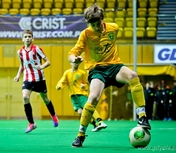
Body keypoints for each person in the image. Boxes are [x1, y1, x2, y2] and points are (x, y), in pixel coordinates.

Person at [68, 4, 151, 147]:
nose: (96, 27)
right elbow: (72, 53)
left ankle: (142, 117)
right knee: (93, 97)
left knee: (133, 75)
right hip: (97, 70)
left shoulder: (114, 28)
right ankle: (80, 135)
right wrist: (74, 59)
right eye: (92, 24)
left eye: (98, 23)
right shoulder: (85, 34)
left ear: (103, 20)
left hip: (115, 67)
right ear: (88, 24)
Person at [14, 29, 59, 133]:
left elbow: (48, 62)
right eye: (25, 37)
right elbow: (22, 65)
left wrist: (41, 67)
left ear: (32, 38)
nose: (27, 38)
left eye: (29, 36)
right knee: (25, 97)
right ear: (22, 39)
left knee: (46, 99)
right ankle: (31, 123)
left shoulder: (37, 49)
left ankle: (53, 115)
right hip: (27, 78)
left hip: (39, 79)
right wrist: (18, 75)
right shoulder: (20, 52)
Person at [56, 62, 107, 132]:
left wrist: (84, 86)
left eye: (77, 63)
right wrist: (59, 86)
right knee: (81, 113)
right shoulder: (67, 73)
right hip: (73, 96)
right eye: (74, 62)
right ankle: (95, 124)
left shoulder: (82, 73)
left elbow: (87, 83)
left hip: (81, 94)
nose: (75, 64)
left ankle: (100, 122)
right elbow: (62, 81)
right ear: (71, 63)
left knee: (89, 107)